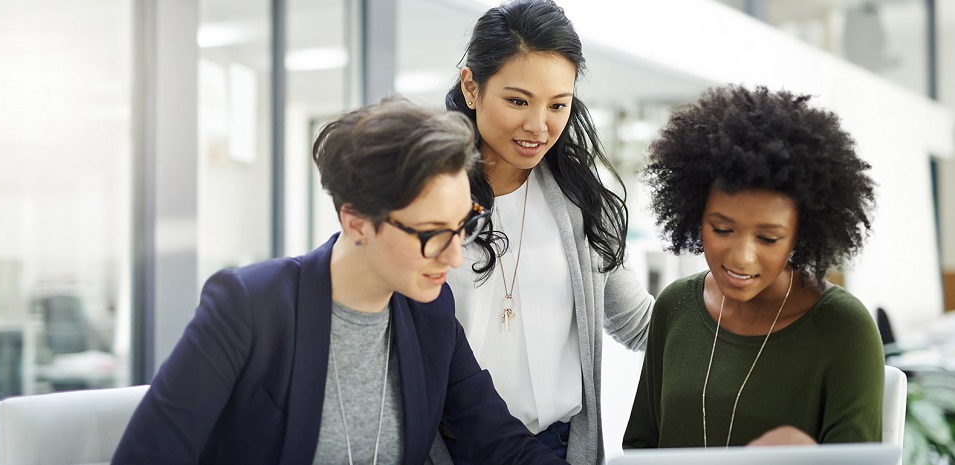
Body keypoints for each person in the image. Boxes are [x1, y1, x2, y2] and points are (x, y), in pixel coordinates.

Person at [112, 97, 567, 464]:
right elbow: (148, 455)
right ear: (356, 222)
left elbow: (497, 442)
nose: (452, 257)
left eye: (462, 226)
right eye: (431, 235)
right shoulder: (249, 307)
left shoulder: (431, 313)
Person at [434, 0, 654, 463]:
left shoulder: (582, 201)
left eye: (558, 105)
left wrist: (750, 313)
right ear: (471, 87)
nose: (538, 126)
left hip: (557, 447)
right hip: (449, 450)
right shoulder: (425, 201)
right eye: (518, 101)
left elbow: (639, 324)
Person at [622, 84, 883, 449]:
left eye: (768, 238)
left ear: (801, 234)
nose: (741, 257)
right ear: (695, 215)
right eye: (722, 229)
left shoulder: (843, 328)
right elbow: (641, 447)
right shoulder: (675, 306)